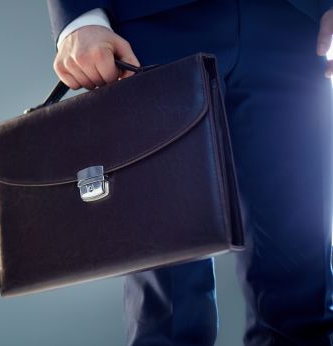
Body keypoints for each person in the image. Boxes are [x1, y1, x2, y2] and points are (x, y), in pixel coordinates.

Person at [47, 0, 333, 345]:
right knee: (169, 306)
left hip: (292, 22)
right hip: (153, 28)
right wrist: (79, 18)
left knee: (302, 285)